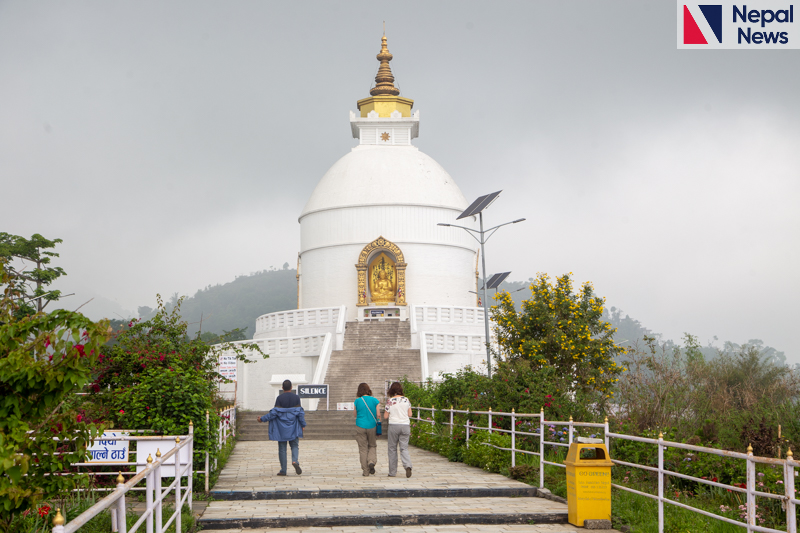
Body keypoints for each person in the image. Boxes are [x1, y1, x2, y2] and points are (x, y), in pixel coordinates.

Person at [257, 379, 306, 476]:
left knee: (282, 449)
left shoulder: (279, 398)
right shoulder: (296, 398)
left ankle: (283, 470)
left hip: (281, 429)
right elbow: (300, 413)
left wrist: (262, 419)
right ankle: (295, 461)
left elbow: (273, 413)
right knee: (295, 445)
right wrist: (303, 425)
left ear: (282, 388)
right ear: (291, 387)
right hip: (294, 428)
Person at [384, 381, 413, 478]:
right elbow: (410, 414)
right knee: (404, 448)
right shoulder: (406, 400)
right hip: (405, 425)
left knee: (392, 449)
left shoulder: (390, 401)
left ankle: (392, 472)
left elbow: (385, 416)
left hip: (394, 426)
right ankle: (408, 465)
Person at [354, 382, 381, 476]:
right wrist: (378, 422)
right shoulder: (374, 400)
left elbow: (355, 414)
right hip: (372, 426)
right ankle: (371, 462)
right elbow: (378, 414)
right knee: (372, 445)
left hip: (360, 425)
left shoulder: (357, 401)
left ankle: (365, 471)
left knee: (362, 449)